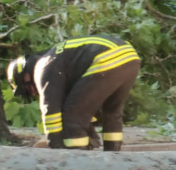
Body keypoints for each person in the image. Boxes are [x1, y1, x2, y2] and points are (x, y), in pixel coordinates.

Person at [7, 34, 140, 152]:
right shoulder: (57, 60)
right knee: (112, 112)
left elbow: (51, 113)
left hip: (107, 57)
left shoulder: (43, 67)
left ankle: (79, 166)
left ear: (25, 76)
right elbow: (85, 102)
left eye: (26, 89)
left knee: (72, 117)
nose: (32, 93)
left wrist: (57, 149)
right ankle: (114, 159)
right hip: (130, 57)